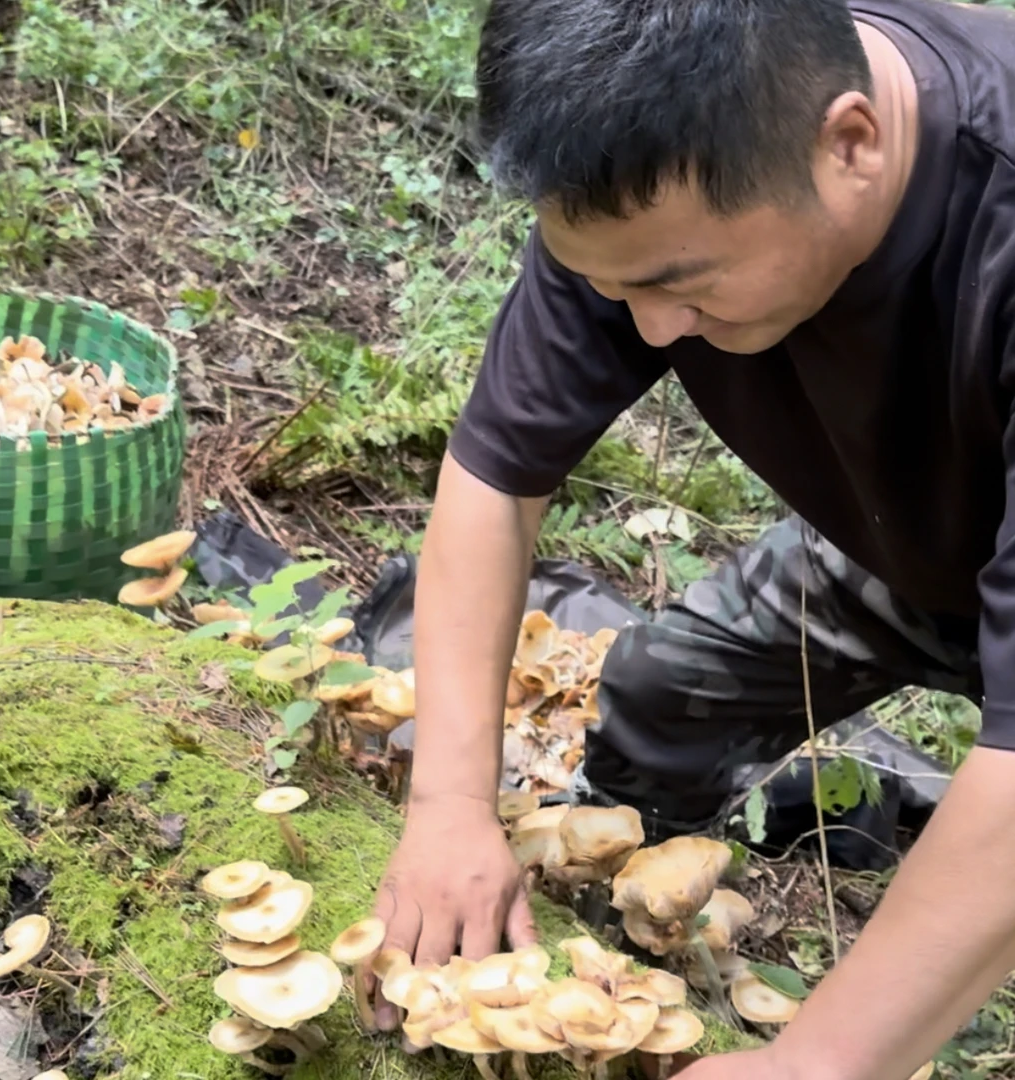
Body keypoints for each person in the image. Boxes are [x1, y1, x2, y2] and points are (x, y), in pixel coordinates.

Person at [372, 0, 1015, 1076]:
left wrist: (812, 1063)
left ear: (850, 142)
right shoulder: (640, 183)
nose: (650, 330)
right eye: (611, 288)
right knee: (662, 702)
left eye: (680, 286)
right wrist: (447, 807)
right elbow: (494, 481)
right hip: (900, 545)